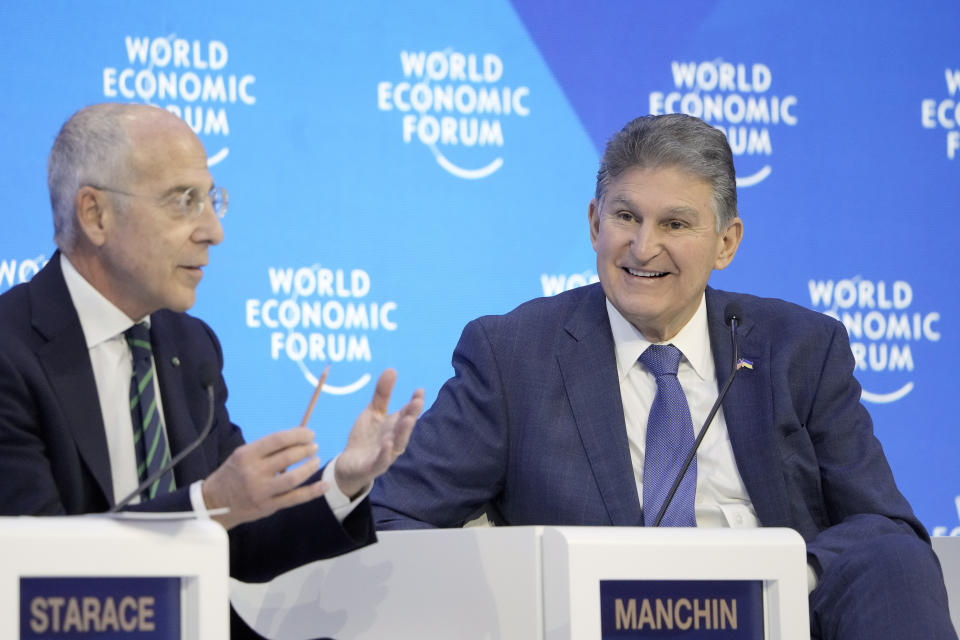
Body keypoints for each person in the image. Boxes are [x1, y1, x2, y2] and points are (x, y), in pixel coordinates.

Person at [371, 114, 956, 638]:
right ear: (595, 222)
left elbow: (884, 525)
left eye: (675, 224)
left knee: (894, 560)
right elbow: (394, 516)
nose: (643, 247)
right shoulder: (513, 354)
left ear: (726, 242)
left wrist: (787, 574)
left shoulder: (799, 347)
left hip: (777, 616)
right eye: (626, 216)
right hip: (601, 623)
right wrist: (514, 584)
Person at [0, 102, 424, 638]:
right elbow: (35, 566)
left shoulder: (189, 345)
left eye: (212, 199)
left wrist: (342, 480)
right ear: (95, 215)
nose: (214, 230)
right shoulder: (11, 351)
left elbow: (237, 536)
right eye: (185, 201)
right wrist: (209, 504)